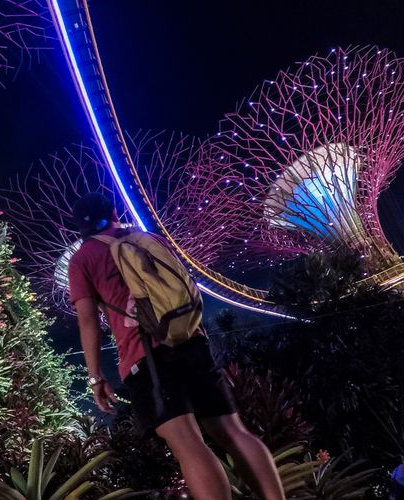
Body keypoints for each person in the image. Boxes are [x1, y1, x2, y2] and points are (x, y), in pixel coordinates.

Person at [67, 193, 284, 500]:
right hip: (191, 340)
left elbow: (88, 321)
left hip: (145, 357)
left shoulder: (82, 259)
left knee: (188, 444)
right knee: (233, 432)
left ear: (80, 228)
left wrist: (95, 376)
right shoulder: (147, 238)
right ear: (114, 212)